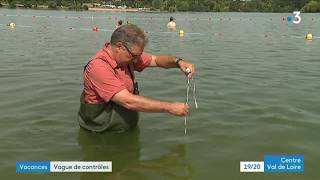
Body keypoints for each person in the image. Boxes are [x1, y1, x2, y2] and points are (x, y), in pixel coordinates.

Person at [78, 24, 195, 133]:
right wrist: (170, 107)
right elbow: (127, 101)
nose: (136, 60)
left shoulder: (128, 56)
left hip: (125, 131)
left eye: (138, 56)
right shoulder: (98, 67)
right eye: (134, 56)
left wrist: (178, 62)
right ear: (119, 47)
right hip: (101, 135)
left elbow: (156, 60)